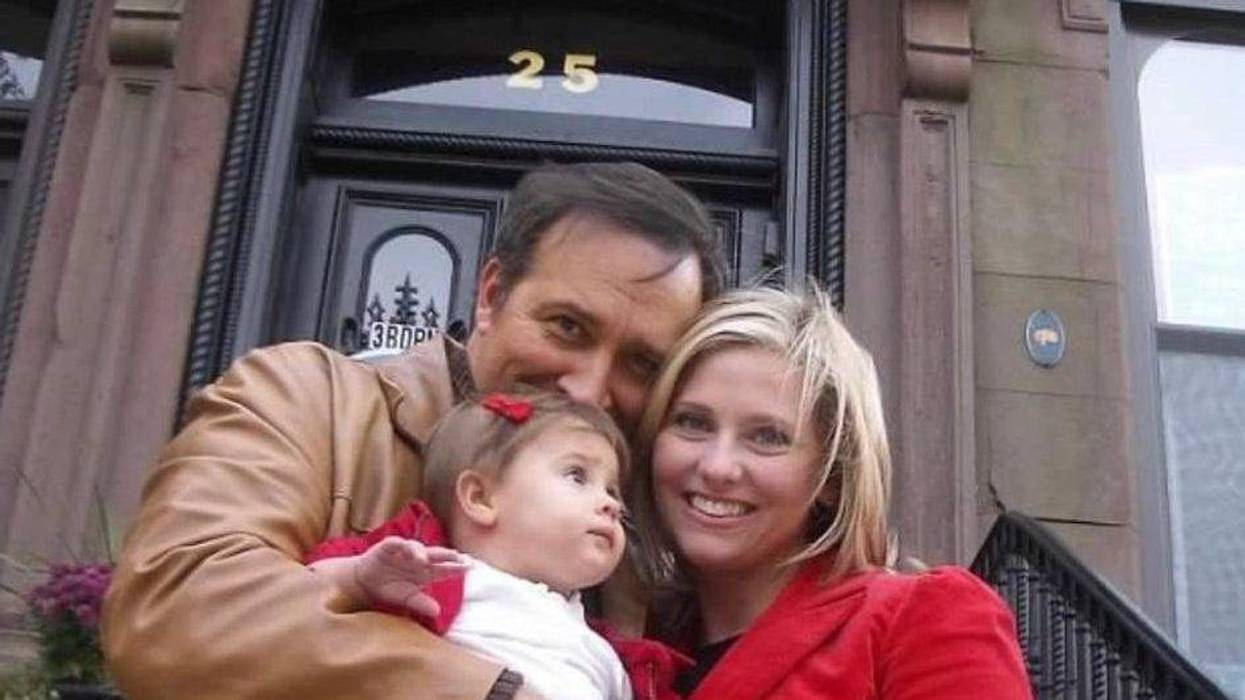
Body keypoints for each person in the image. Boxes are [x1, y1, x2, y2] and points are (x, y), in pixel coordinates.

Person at [101, 162, 724, 700]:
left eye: (643, 363)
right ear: (491, 293)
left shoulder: (651, 518)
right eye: (566, 326)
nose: (589, 388)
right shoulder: (304, 397)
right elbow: (176, 609)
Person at [625, 285, 1033, 699]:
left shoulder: (918, 621)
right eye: (693, 423)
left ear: (833, 479)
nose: (716, 466)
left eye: (767, 436)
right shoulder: (622, 646)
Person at [303, 391, 687, 700]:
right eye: (577, 475)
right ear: (481, 498)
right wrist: (360, 578)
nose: (612, 504)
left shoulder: (606, 652)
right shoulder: (435, 575)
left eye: (612, 489)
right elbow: (306, 591)